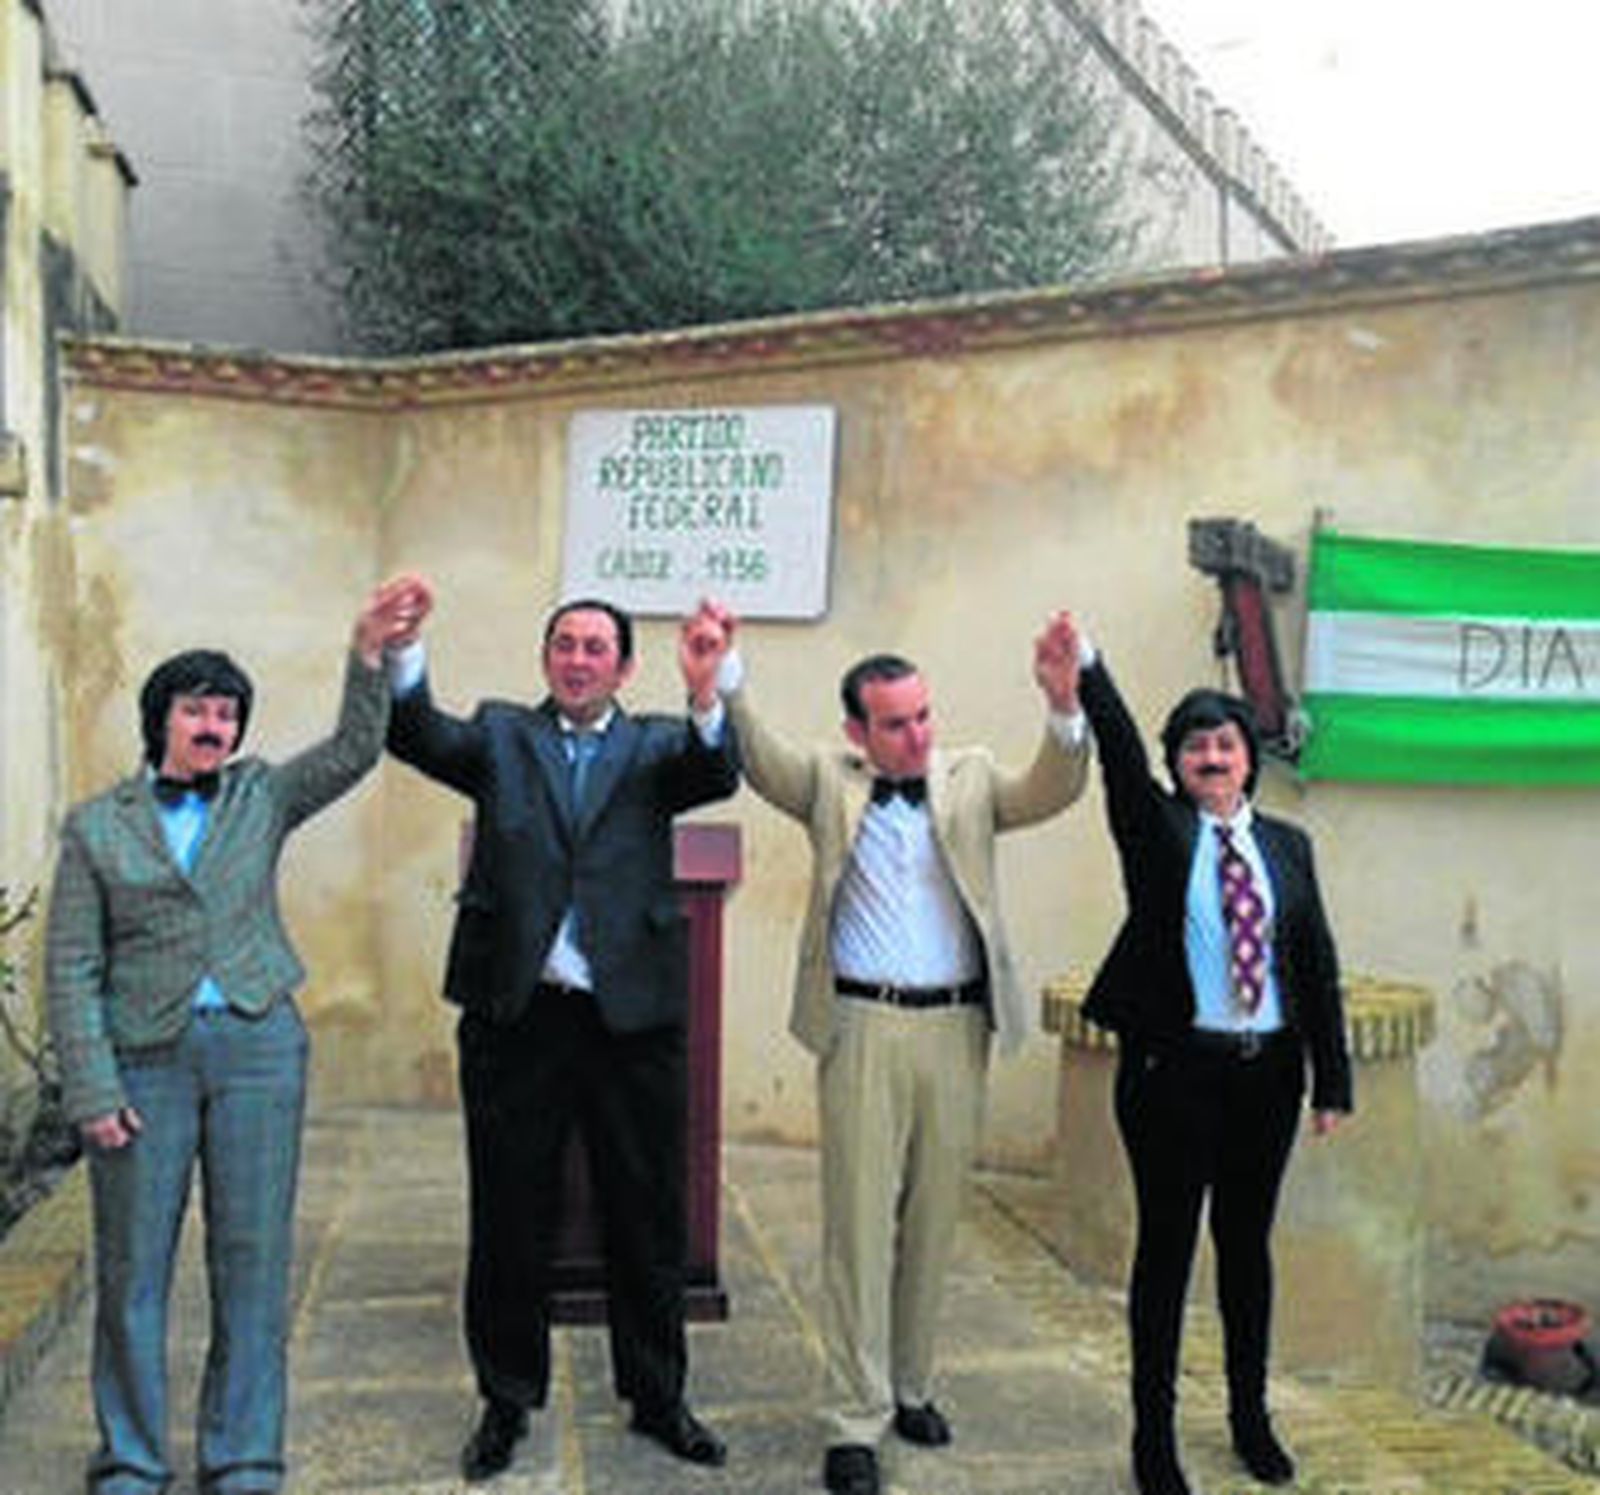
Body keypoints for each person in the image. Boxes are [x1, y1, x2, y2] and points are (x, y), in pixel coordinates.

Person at [707, 601, 1090, 1495]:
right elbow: (757, 755)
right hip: (864, 1027)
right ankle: (852, 1418)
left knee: (933, 1223)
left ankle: (911, 1383)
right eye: (895, 722)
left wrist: (1065, 709)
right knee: (856, 1228)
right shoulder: (824, 779)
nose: (916, 735)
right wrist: (725, 676)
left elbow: (1052, 787)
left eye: (924, 715)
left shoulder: (972, 778)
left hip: (959, 1029)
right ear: (857, 729)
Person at [44, 578, 416, 1495]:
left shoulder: (262, 794)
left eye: (226, 713)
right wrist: (91, 1091)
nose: (213, 727)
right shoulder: (97, 827)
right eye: (195, 710)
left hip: (257, 1046)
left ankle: (244, 1452)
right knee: (133, 1266)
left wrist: (368, 654)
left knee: (253, 1258)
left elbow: (357, 747)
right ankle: (130, 1456)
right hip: (143, 1061)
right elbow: (71, 967)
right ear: (158, 719)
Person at [382, 585, 740, 1483]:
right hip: (519, 1017)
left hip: (632, 1021)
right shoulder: (503, 734)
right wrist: (402, 655)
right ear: (548, 659)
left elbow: (714, 773)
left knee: (648, 1214)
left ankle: (658, 1396)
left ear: (623, 665)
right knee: (509, 1214)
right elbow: (420, 733)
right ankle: (506, 1399)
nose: (578, 659)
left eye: (595, 647)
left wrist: (707, 692)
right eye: (564, 645)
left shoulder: (661, 741)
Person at [1075, 634, 1353, 1495]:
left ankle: (1249, 1417)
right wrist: (1090, 665)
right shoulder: (1157, 830)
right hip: (1173, 1076)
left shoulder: (1289, 846)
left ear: (1247, 761)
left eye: (1225, 742)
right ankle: (1152, 1439)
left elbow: (1315, 961)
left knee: (1245, 1249)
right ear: (1178, 762)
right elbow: (1118, 757)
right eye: (1195, 744)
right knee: (1165, 1252)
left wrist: (1331, 1079)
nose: (1212, 755)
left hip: (1265, 1075)